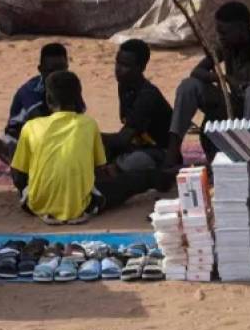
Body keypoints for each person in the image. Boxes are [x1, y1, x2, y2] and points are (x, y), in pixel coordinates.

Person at [11, 71, 157, 223]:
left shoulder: (31, 127)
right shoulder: (88, 124)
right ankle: (163, 177)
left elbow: (18, 176)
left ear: (48, 99)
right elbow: (99, 170)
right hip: (81, 207)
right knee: (133, 181)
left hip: (37, 206)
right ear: (78, 98)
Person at [168, 2, 250, 163]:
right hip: (240, 107)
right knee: (189, 85)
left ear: (241, 29)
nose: (220, 36)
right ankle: (172, 152)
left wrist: (246, 87)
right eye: (219, 32)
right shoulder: (227, 45)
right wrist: (226, 79)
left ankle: (248, 154)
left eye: (224, 32)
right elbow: (197, 72)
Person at [0, 43, 68, 164]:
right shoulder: (30, 91)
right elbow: (40, 123)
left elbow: (78, 117)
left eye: (62, 69)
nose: (58, 75)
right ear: (40, 70)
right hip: (22, 136)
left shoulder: (70, 86)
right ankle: (12, 154)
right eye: (52, 70)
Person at [106, 40, 174, 178]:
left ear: (141, 67)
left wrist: (92, 135)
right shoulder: (124, 86)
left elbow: (123, 139)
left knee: (134, 162)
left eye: (125, 65)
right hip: (137, 145)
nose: (118, 69)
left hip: (159, 151)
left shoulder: (148, 96)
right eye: (118, 63)